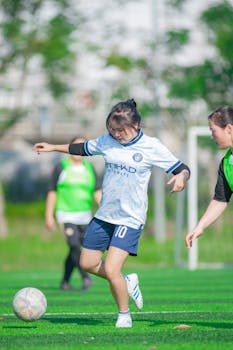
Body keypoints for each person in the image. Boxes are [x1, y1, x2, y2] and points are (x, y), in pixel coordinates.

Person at [34, 98, 190, 328]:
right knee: (87, 263)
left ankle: (124, 315)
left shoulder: (151, 146)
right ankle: (127, 282)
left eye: (120, 130)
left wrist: (181, 178)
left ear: (135, 125)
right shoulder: (107, 141)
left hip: (130, 218)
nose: (115, 134)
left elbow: (182, 168)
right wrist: (53, 147)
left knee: (111, 268)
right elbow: (83, 148)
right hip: (104, 215)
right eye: (112, 130)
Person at [45, 136, 102, 291]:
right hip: (66, 214)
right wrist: (48, 216)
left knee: (76, 249)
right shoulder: (61, 167)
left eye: (81, 146)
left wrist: (106, 209)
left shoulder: (90, 168)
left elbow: (97, 192)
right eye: (75, 145)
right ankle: (86, 277)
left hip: (85, 216)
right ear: (70, 148)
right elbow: (52, 192)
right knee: (74, 245)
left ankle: (65, 281)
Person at [186, 106, 233, 249]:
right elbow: (220, 199)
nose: (212, 136)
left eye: (214, 131)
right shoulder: (226, 163)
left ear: (229, 128)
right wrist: (200, 226)